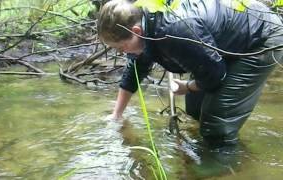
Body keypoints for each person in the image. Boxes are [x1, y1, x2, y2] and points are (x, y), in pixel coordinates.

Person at [97, 0, 283, 147]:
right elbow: (134, 71)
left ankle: (223, 167)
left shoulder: (173, 30)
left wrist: (188, 86)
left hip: (260, 38)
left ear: (136, 31)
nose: (122, 53)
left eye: (121, 48)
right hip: (224, 41)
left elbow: (214, 76)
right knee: (195, 110)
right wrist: (117, 115)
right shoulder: (146, 27)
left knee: (215, 124)